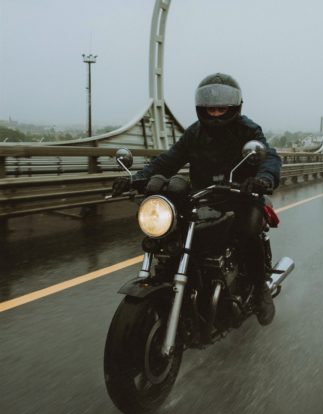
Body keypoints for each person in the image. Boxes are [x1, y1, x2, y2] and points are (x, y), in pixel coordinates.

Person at [112, 73, 282, 326]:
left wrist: (263, 178)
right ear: (201, 107)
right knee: (173, 233)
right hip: (203, 197)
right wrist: (137, 178)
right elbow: (168, 160)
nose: (215, 113)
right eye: (210, 108)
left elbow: (269, 156)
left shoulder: (247, 130)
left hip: (242, 195)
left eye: (221, 108)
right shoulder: (195, 133)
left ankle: (260, 290)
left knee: (248, 230)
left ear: (234, 106)